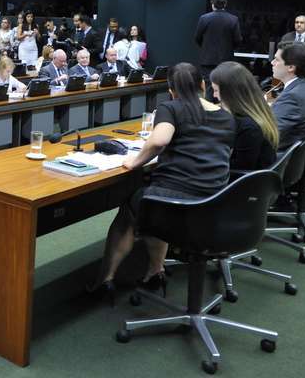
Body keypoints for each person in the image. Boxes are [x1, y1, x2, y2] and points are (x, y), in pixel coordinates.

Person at [89, 63, 235, 302]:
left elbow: (160, 139)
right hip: (213, 201)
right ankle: (155, 271)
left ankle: (105, 280)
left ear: (171, 90)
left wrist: (135, 162)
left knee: (130, 207)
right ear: (203, 85)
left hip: (175, 201)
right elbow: (226, 155)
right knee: (153, 199)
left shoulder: (171, 107)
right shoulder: (225, 116)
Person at [210, 61, 278, 171]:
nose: (214, 95)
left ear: (231, 93)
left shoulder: (249, 127)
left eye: (216, 90)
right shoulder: (258, 112)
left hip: (245, 184)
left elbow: (241, 168)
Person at [270, 42, 305, 151]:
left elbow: (270, 135)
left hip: (278, 159)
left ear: (291, 67)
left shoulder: (292, 97)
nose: (272, 62)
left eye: (276, 59)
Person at [195, 0, 242, 97]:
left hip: (207, 60)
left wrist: (206, 49)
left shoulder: (204, 18)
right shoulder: (233, 19)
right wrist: (228, 48)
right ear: (225, 4)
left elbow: (197, 38)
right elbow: (238, 40)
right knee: (225, 88)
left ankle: (210, 113)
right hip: (226, 60)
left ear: (212, 4)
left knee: (209, 89)